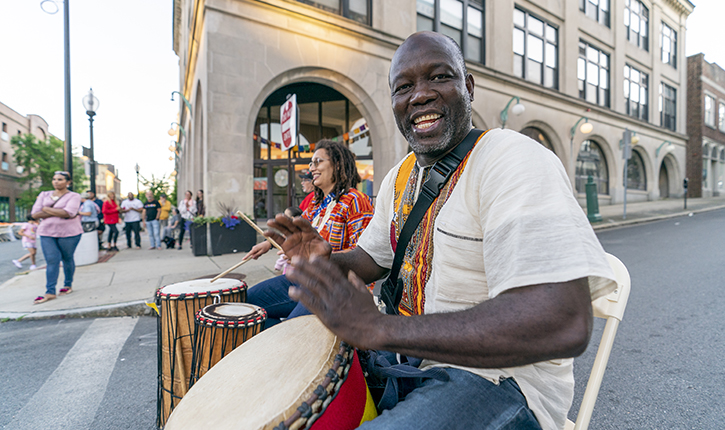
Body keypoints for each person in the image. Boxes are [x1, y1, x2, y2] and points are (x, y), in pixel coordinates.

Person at [266, 32, 617, 430]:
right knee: (281, 350)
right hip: (406, 364)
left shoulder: (513, 159)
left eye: (438, 77)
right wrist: (326, 259)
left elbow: (562, 320)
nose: (420, 95)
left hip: (499, 382)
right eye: (404, 87)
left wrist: (380, 328)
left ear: (467, 87)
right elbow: (372, 258)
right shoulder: (399, 177)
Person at [245, 139, 374, 327]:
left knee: (291, 331)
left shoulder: (356, 200)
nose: (311, 168)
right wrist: (268, 244)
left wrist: (320, 258)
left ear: (337, 165)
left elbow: (364, 256)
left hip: (336, 288)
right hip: (305, 280)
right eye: (311, 163)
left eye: (318, 162)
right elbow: (296, 234)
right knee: (248, 306)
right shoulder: (315, 204)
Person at [30, 171, 83, 304]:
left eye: (60, 179)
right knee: (52, 260)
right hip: (46, 232)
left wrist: (46, 209)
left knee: (67, 258)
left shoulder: (74, 196)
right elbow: (34, 214)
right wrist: (57, 211)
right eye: (54, 179)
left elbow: (68, 213)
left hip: (69, 233)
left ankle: (67, 284)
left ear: (68, 182)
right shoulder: (44, 194)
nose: (56, 182)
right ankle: (50, 291)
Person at [273, 206, 303, 274]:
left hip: (292, 269)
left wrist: (278, 265)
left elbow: (285, 254)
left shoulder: (293, 235)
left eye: (285, 216)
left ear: (291, 219)